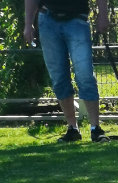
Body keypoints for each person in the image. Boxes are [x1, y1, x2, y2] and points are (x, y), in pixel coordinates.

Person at [24, 0, 110, 142]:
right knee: (58, 77)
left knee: (84, 74)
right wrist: (28, 24)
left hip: (77, 18)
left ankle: (95, 128)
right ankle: (72, 128)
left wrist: (103, 14)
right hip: (47, 18)